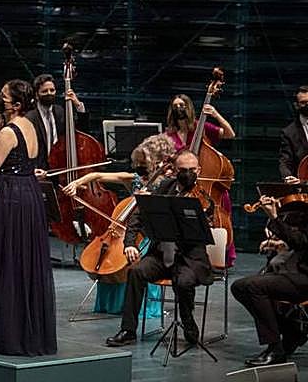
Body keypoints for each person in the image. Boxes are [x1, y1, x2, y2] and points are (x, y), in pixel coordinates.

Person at [0, 79, 57, 356]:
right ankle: (28, 329)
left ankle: (11, 334)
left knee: (9, 261)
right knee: (23, 261)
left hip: (10, 198)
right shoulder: (29, 124)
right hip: (28, 195)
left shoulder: (9, 130)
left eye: (4, 97)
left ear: (16, 104)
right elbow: (3, 144)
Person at [105, 150, 214, 348]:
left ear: (199, 170)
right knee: (136, 272)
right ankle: (128, 330)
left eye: (192, 170)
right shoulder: (165, 187)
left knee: (183, 281)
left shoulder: (204, 197)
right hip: (161, 256)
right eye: (183, 170)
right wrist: (130, 244)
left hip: (189, 259)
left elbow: (205, 232)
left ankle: (188, 322)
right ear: (175, 170)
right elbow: (138, 216)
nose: (188, 174)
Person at [62, 134, 172, 319]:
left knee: (139, 257)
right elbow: (97, 175)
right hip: (127, 230)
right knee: (114, 258)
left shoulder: (167, 184)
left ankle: (141, 304)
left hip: (148, 234)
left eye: (144, 163)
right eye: (138, 162)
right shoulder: (133, 179)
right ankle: (113, 304)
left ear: (157, 161)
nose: (140, 167)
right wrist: (76, 183)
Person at [231, 195, 308, 366]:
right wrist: (276, 216)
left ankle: (276, 348)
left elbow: (299, 242)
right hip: (297, 272)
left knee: (253, 287)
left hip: (304, 277)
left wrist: (274, 217)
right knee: (240, 287)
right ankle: (292, 330)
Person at [164, 91, 236, 265]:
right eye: (175, 106)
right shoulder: (169, 134)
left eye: (182, 105)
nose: (179, 109)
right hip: (182, 184)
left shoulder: (201, 127)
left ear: (189, 107)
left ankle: (220, 257)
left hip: (207, 187)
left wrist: (215, 114)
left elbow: (230, 134)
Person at [32, 73, 86, 151]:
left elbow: (80, 131)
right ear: (37, 95)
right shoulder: (30, 117)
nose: (49, 93)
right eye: (44, 91)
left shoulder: (60, 111)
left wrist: (78, 105)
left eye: (52, 90)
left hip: (58, 157)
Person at [277, 85, 308, 183]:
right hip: (302, 184)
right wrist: (288, 176)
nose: (307, 105)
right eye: (303, 102)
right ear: (296, 105)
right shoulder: (289, 132)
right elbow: (285, 160)